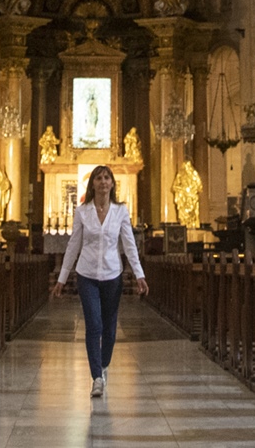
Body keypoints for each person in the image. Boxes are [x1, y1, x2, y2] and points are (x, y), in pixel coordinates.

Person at [51, 164, 147, 398]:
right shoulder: (82, 212)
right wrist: (62, 278)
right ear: (92, 183)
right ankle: (96, 377)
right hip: (87, 275)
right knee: (94, 326)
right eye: (99, 178)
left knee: (110, 330)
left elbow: (129, 245)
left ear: (112, 184)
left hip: (113, 275)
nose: (103, 182)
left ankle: (103, 367)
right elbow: (74, 244)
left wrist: (139, 274)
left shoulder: (120, 211)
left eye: (107, 178)